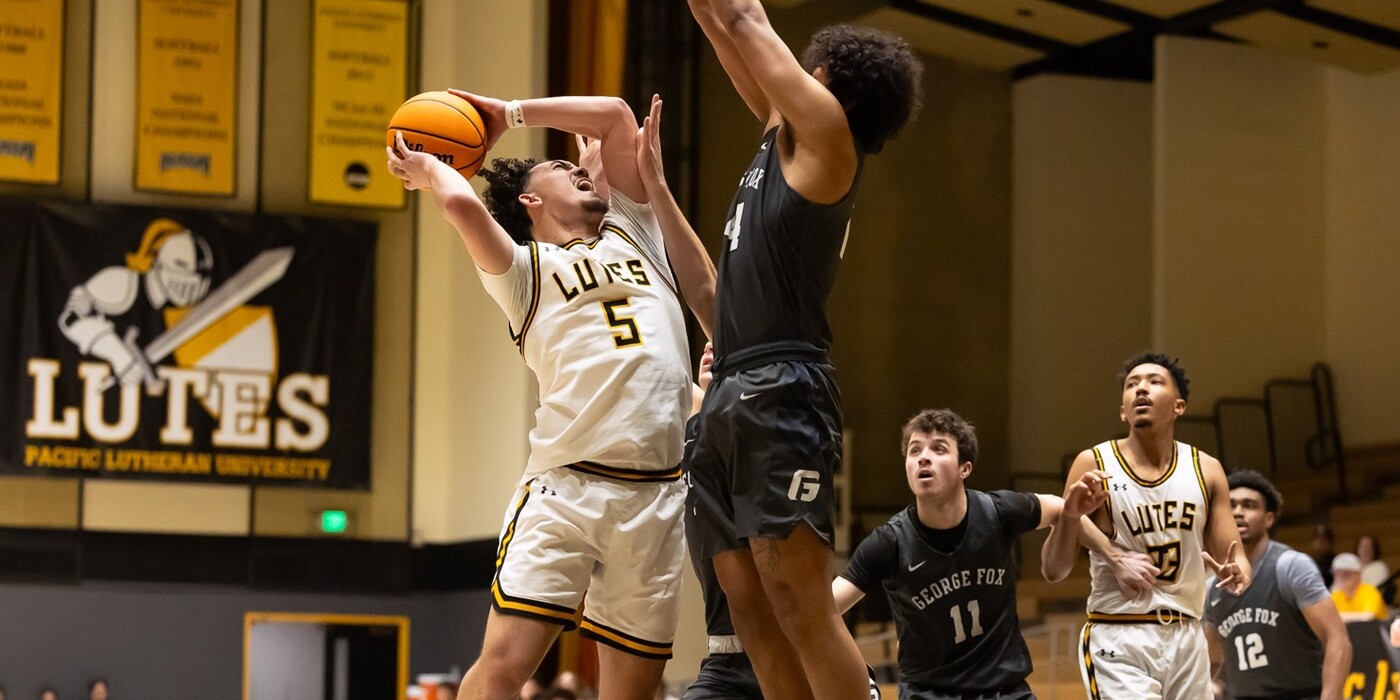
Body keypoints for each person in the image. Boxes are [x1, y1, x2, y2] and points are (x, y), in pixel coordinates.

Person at [387, 89, 715, 700]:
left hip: (656, 496)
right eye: (561, 169)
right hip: (567, 489)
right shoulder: (523, 271)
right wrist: (431, 167)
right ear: (530, 200)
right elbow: (460, 203)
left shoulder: (634, 232)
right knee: (504, 665)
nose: (579, 167)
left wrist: (506, 112)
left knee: (631, 692)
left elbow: (617, 117)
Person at [684, 2, 924, 697]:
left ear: (832, 85)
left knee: (800, 608)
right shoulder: (783, 132)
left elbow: (745, 17)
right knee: (751, 616)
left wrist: (724, 15)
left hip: (782, 383)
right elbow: (724, 26)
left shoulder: (826, 136)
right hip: (730, 384)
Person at [832, 409, 1157, 699]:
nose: (923, 458)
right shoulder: (890, 542)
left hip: (1005, 690)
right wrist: (858, 675)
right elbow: (821, 611)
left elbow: (1061, 508)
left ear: (965, 468)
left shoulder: (998, 512)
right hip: (929, 693)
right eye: (914, 451)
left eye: (938, 449)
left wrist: (1114, 556)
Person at [1042, 352, 1252, 700]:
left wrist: (1236, 572)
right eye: (1132, 385)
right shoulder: (1093, 463)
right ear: (1123, 411)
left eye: (1154, 382)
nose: (1141, 389)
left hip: (1187, 633)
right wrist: (1073, 520)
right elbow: (1053, 569)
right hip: (1120, 632)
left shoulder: (1207, 469)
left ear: (1179, 406)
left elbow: (1236, 557)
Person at [1203, 469, 1350, 700]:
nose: (1238, 512)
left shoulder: (1291, 566)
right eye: (1230, 505)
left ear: (1269, 518)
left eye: (1249, 505)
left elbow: (1337, 639)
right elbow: (1211, 659)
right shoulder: (1214, 587)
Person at [1330, 554, 1389, 622]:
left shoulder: (1369, 591)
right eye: (1337, 573)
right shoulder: (1335, 595)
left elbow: (1368, 617)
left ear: (1359, 574)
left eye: (1345, 574)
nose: (1340, 578)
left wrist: (1336, 617)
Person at [1309, 524, 1336, 589]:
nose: (1319, 543)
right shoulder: (1308, 561)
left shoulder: (1335, 562)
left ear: (1330, 543)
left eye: (1323, 539)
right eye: (1317, 539)